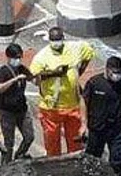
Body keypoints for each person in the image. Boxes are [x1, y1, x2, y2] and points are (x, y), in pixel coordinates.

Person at [29, 26, 94, 156]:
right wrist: (55, 73)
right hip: (51, 107)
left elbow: (89, 53)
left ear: (63, 38)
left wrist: (79, 72)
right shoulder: (42, 57)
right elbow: (33, 78)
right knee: (52, 145)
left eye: (58, 39)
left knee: (76, 144)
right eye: (53, 40)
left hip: (72, 104)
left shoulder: (74, 49)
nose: (56, 42)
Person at [79, 56, 121, 176]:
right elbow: (84, 101)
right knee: (92, 160)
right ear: (107, 69)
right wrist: (83, 124)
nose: (117, 75)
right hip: (97, 128)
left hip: (116, 129)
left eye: (119, 72)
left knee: (117, 160)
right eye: (114, 72)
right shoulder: (94, 83)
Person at [0, 43, 35, 165]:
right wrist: (14, 79)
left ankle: (19, 156)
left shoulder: (22, 69)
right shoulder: (3, 72)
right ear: (9, 58)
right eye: (15, 57)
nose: (18, 60)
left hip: (22, 109)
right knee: (9, 143)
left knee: (29, 136)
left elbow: (34, 79)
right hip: (6, 112)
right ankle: (5, 165)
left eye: (20, 57)